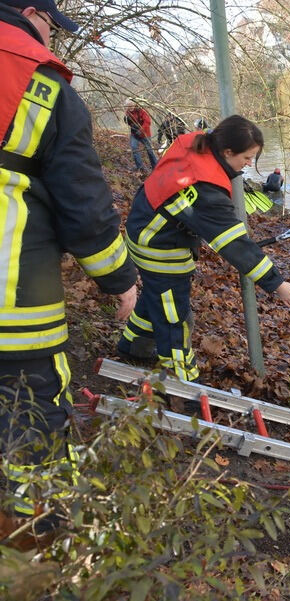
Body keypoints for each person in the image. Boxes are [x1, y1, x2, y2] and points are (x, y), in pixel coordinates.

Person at [0, 0, 138, 525]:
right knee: (32, 429)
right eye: (52, 28)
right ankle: (43, 547)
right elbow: (85, 210)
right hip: (15, 305)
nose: (52, 41)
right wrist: (122, 282)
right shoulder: (44, 86)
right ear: (31, 14)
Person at [117, 116, 290, 381]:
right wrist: (277, 284)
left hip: (142, 224)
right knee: (174, 319)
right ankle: (182, 384)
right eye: (247, 158)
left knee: (155, 298)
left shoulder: (193, 142)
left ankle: (132, 347)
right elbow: (235, 244)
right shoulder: (208, 189)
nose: (249, 164)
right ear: (227, 151)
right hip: (160, 249)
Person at [124, 99, 157, 172]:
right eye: (128, 106)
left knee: (150, 150)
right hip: (134, 134)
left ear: (135, 104)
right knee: (134, 147)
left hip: (145, 134)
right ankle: (139, 167)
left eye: (131, 105)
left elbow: (148, 122)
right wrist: (126, 120)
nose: (130, 107)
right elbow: (129, 122)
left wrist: (141, 130)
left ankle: (155, 166)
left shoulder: (141, 111)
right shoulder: (127, 112)